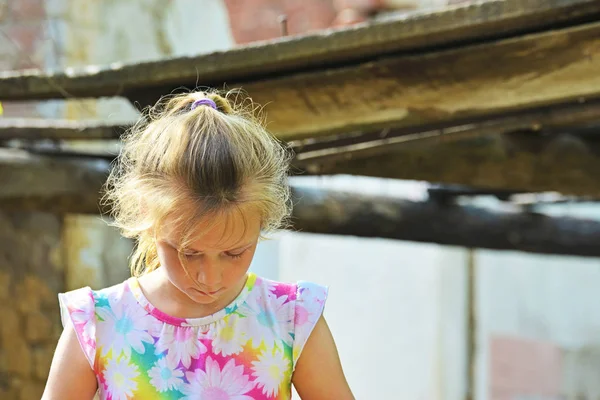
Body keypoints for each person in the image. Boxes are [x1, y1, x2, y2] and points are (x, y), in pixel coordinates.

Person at [42, 91, 354, 400]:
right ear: (145, 214)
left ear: (263, 223)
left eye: (234, 252)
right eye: (189, 253)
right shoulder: (99, 322)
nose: (210, 277)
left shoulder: (291, 318)